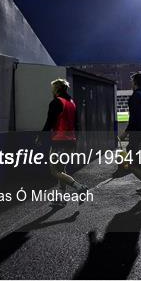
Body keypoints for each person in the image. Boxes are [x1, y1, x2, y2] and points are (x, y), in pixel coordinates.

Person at [40, 78, 88, 207]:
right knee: (62, 170)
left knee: (55, 171)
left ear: (57, 89)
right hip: (70, 141)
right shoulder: (71, 103)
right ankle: (61, 199)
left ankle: (79, 187)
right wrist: (75, 140)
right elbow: (77, 124)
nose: (52, 91)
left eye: (53, 88)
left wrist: (40, 136)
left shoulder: (56, 102)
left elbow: (49, 122)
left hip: (58, 141)